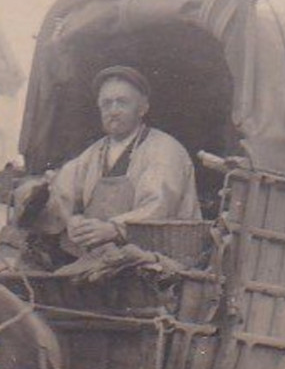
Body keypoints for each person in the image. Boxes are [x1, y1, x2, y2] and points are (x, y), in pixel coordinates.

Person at [46, 65, 200, 253]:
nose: (114, 111)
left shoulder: (164, 150)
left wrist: (114, 229)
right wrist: (72, 220)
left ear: (142, 108)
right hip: (107, 258)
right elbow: (64, 191)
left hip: (159, 259)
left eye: (122, 102)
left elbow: (158, 207)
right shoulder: (95, 152)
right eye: (107, 103)